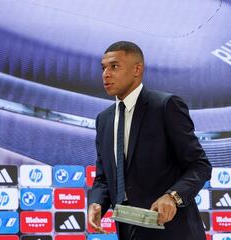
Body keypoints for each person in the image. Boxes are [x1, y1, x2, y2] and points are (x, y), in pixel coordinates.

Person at [87, 41, 212, 240]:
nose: (106, 74)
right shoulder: (104, 119)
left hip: (173, 232)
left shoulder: (165, 106)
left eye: (114, 66)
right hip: (127, 230)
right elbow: (104, 177)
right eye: (103, 68)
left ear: (137, 69)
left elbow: (199, 165)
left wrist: (173, 196)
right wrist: (97, 203)